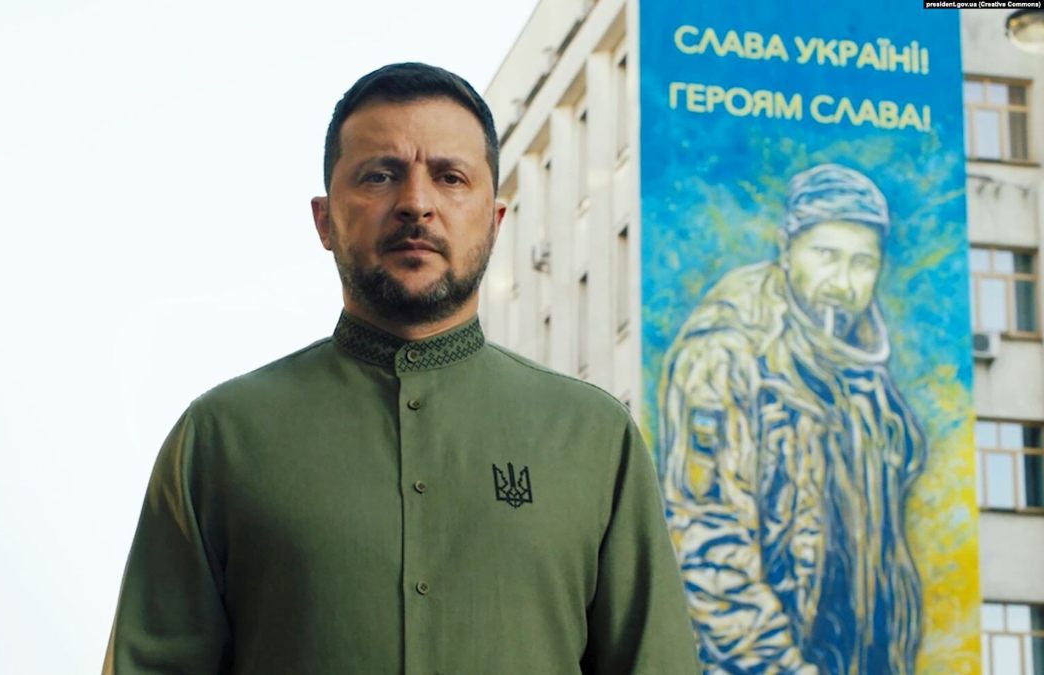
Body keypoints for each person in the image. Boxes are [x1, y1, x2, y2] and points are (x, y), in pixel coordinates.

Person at [102, 62, 698, 674]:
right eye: (380, 175)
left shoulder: (594, 437)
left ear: (494, 221)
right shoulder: (221, 438)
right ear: (324, 220)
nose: (416, 204)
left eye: (450, 177)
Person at [657, 164, 925, 674]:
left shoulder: (864, 371)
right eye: (826, 255)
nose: (842, 282)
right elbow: (710, 542)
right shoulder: (724, 355)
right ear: (786, 248)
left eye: (862, 263)